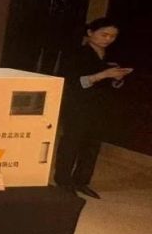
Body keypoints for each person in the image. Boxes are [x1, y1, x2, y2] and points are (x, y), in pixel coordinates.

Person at [54, 17, 133, 198]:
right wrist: (102, 75)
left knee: (92, 145)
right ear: (90, 32)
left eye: (112, 36)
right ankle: (63, 179)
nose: (108, 39)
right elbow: (73, 82)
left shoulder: (111, 56)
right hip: (78, 104)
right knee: (72, 142)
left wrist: (117, 78)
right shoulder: (77, 54)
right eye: (104, 34)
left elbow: (112, 85)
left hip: (100, 107)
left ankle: (81, 180)